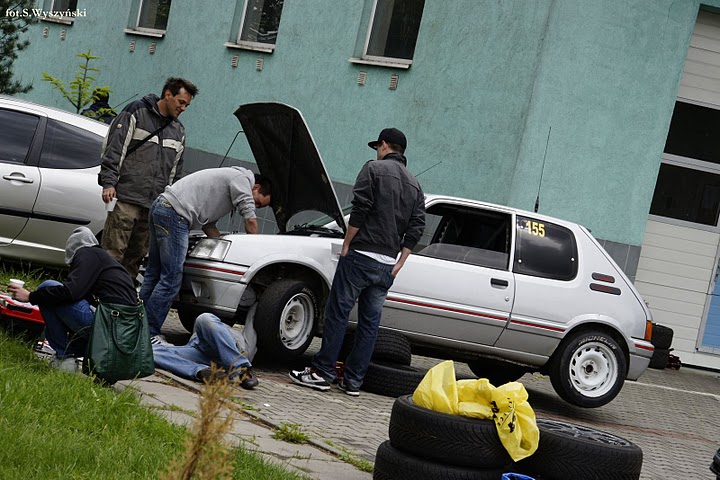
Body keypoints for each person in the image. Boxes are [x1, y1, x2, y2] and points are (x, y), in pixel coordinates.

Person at [289, 128, 425, 397]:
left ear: (384, 145)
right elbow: (417, 225)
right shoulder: (415, 184)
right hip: (387, 264)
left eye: (378, 147)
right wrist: (400, 261)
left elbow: (361, 208)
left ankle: (322, 373)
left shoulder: (373, 168)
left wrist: (347, 243)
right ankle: (353, 381)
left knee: (338, 313)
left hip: (361, 255)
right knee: (369, 324)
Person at [140, 166, 272, 343]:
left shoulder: (227, 183)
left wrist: (226, 246)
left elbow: (208, 226)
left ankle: (137, 326)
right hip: (175, 214)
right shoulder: (241, 179)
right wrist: (256, 250)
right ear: (256, 187)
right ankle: (149, 332)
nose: (255, 206)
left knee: (154, 273)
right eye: (258, 202)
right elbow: (250, 218)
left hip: (162, 206)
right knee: (171, 279)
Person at [98, 77, 199, 282]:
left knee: (134, 260)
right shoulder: (136, 112)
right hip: (126, 198)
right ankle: (100, 294)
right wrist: (109, 183)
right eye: (181, 102)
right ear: (168, 94)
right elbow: (114, 148)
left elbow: (175, 173)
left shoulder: (178, 130)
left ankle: (123, 298)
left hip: (152, 206)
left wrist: (168, 203)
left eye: (187, 105)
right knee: (112, 254)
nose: (183, 108)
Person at [7, 227, 138, 372]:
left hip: (108, 327)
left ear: (72, 250)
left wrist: (31, 296)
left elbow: (70, 292)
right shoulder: (103, 260)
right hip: (122, 333)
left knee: (47, 287)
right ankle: (73, 356)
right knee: (53, 295)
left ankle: (64, 358)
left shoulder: (86, 254)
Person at [152, 312, 258, 389]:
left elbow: (254, 321)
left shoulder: (244, 347)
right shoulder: (222, 330)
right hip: (199, 351)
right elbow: (253, 320)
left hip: (227, 354)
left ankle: (241, 369)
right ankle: (204, 372)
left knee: (204, 318)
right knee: (151, 352)